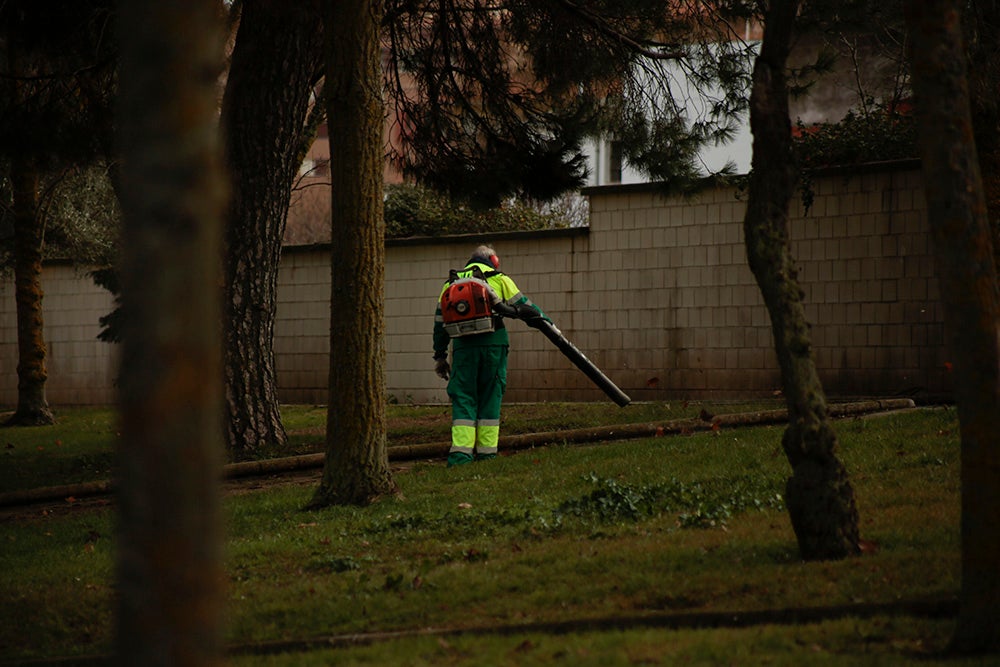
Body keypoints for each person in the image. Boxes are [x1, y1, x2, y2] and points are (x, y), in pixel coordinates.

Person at [432, 244, 548, 466]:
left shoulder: (450, 284)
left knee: (464, 397)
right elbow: (524, 306)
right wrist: (547, 323)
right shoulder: (499, 278)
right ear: (493, 260)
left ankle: (460, 456)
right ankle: (487, 455)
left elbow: (440, 323)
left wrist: (439, 356)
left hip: (463, 348)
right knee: (490, 396)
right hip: (494, 345)